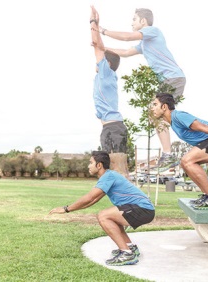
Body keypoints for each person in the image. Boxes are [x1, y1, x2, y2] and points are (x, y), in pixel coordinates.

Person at [99, 8, 186, 172]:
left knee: (156, 112)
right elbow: (125, 52)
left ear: (143, 21)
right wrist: (104, 49)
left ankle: (168, 154)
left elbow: (126, 37)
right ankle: (173, 148)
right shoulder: (144, 44)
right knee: (159, 114)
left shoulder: (152, 31)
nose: (132, 23)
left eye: (134, 19)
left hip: (173, 78)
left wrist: (103, 31)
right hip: (169, 80)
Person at [49, 151, 155, 266]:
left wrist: (66, 209)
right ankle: (130, 247)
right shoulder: (109, 176)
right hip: (143, 209)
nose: (88, 166)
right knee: (112, 217)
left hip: (143, 209)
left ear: (99, 165)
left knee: (103, 216)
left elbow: (89, 197)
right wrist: (70, 210)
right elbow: (93, 200)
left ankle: (126, 254)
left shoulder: (108, 176)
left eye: (91, 163)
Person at [151, 93, 208, 209]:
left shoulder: (178, 116)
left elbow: (204, 128)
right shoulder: (172, 123)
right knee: (186, 164)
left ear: (164, 107)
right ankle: (207, 195)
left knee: (187, 161)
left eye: (155, 104)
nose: (152, 108)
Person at [89, 6, 129, 177]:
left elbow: (98, 47)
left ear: (107, 64)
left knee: (118, 168)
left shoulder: (107, 73)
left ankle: (129, 202)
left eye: (102, 60)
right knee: (107, 169)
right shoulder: (103, 76)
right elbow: (98, 48)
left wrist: (93, 23)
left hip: (114, 128)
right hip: (110, 128)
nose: (98, 61)